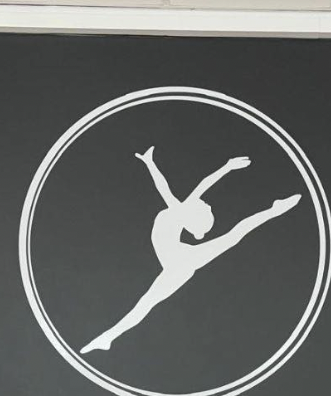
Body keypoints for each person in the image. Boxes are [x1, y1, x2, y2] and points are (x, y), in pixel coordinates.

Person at [80, 146, 301, 353]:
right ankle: (107, 338)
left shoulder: (178, 212)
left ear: (194, 218)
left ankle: (274, 210)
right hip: (181, 260)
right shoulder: (178, 211)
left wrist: (226, 168)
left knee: (233, 237)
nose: (207, 203)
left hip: (182, 261)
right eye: (208, 206)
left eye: (207, 208)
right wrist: (150, 162)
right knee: (147, 302)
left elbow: (193, 185)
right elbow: (183, 185)